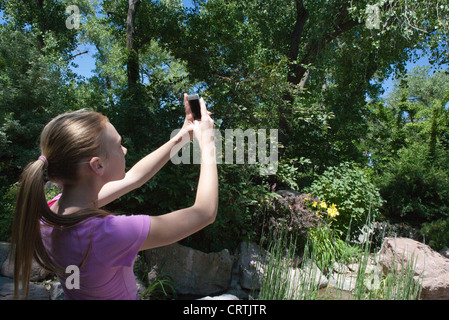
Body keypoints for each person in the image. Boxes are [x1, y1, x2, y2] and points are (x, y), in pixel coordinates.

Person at [10, 94, 218, 300]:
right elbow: (205, 212)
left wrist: (184, 134)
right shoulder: (107, 234)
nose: (125, 150)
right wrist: (208, 144)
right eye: (119, 145)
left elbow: (135, 177)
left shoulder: (49, 214)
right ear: (97, 165)